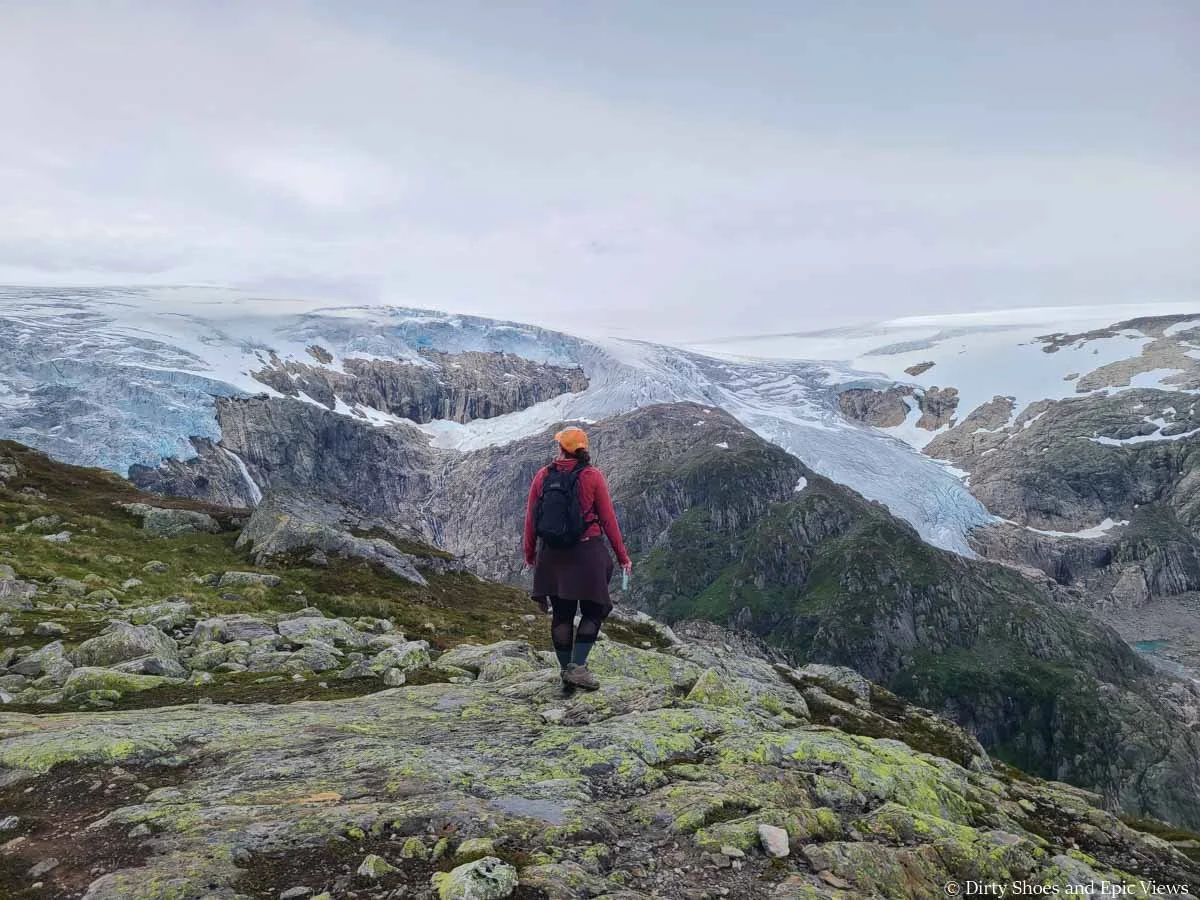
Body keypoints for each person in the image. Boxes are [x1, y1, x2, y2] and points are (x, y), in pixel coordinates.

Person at [524, 426, 632, 690]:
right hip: (586, 553)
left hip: (552, 555)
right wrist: (622, 556)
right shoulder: (592, 476)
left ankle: (565, 670)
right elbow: (608, 520)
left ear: (561, 448)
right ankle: (578, 667)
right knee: (595, 610)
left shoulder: (543, 476)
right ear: (584, 449)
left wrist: (530, 554)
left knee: (561, 615)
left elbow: (530, 519)